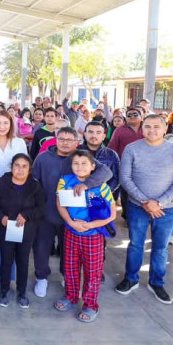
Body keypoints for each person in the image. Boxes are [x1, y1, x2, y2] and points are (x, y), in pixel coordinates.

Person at [116, 114, 173, 304]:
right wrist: (144, 201)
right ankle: (130, 279)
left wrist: (159, 202)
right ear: (142, 129)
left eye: (157, 127)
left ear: (166, 129)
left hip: (167, 209)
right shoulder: (132, 149)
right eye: (147, 126)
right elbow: (125, 178)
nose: (152, 130)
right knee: (136, 244)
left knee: (161, 247)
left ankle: (157, 282)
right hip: (137, 206)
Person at [32, 127, 112, 297]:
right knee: (41, 247)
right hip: (46, 212)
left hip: (74, 215)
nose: (66, 143)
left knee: (68, 252)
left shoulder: (81, 156)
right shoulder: (43, 158)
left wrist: (87, 184)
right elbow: (34, 183)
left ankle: (65, 276)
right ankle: (41, 278)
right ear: (56, 139)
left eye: (70, 140)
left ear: (77, 141)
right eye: (62, 139)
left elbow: (106, 172)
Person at [54, 150, 116, 322]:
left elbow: (112, 214)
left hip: (93, 235)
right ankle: (71, 296)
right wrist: (71, 222)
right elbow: (60, 204)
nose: (79, 167)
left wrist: (91, 225)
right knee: (70, 268)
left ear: (93, 166)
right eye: (76, 163)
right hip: (71, 232)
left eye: (84, 164)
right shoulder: (65, 181)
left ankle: (90, 304)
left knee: (92, 272)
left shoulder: (101, 185)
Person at [0, 153, 44, 309]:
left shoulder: (35, 186)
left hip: (26, 231)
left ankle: (21, 292)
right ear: (11, 167)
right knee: (6, 261)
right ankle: (4, 290)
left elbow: (41, 208)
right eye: (17, 166)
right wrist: (1, 217)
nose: (20, 169)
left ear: (30, 169)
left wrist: (26, 215)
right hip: (6, 229)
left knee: (23, 261)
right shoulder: (2, 182)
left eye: (24, 166)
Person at [0, 110, 28, 284]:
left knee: (13, 235)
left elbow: (24, 167)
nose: (2, 126)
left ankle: (11, 273)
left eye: (6, 123)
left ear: (11, 125)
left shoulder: (19, 143)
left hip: (15, 194)